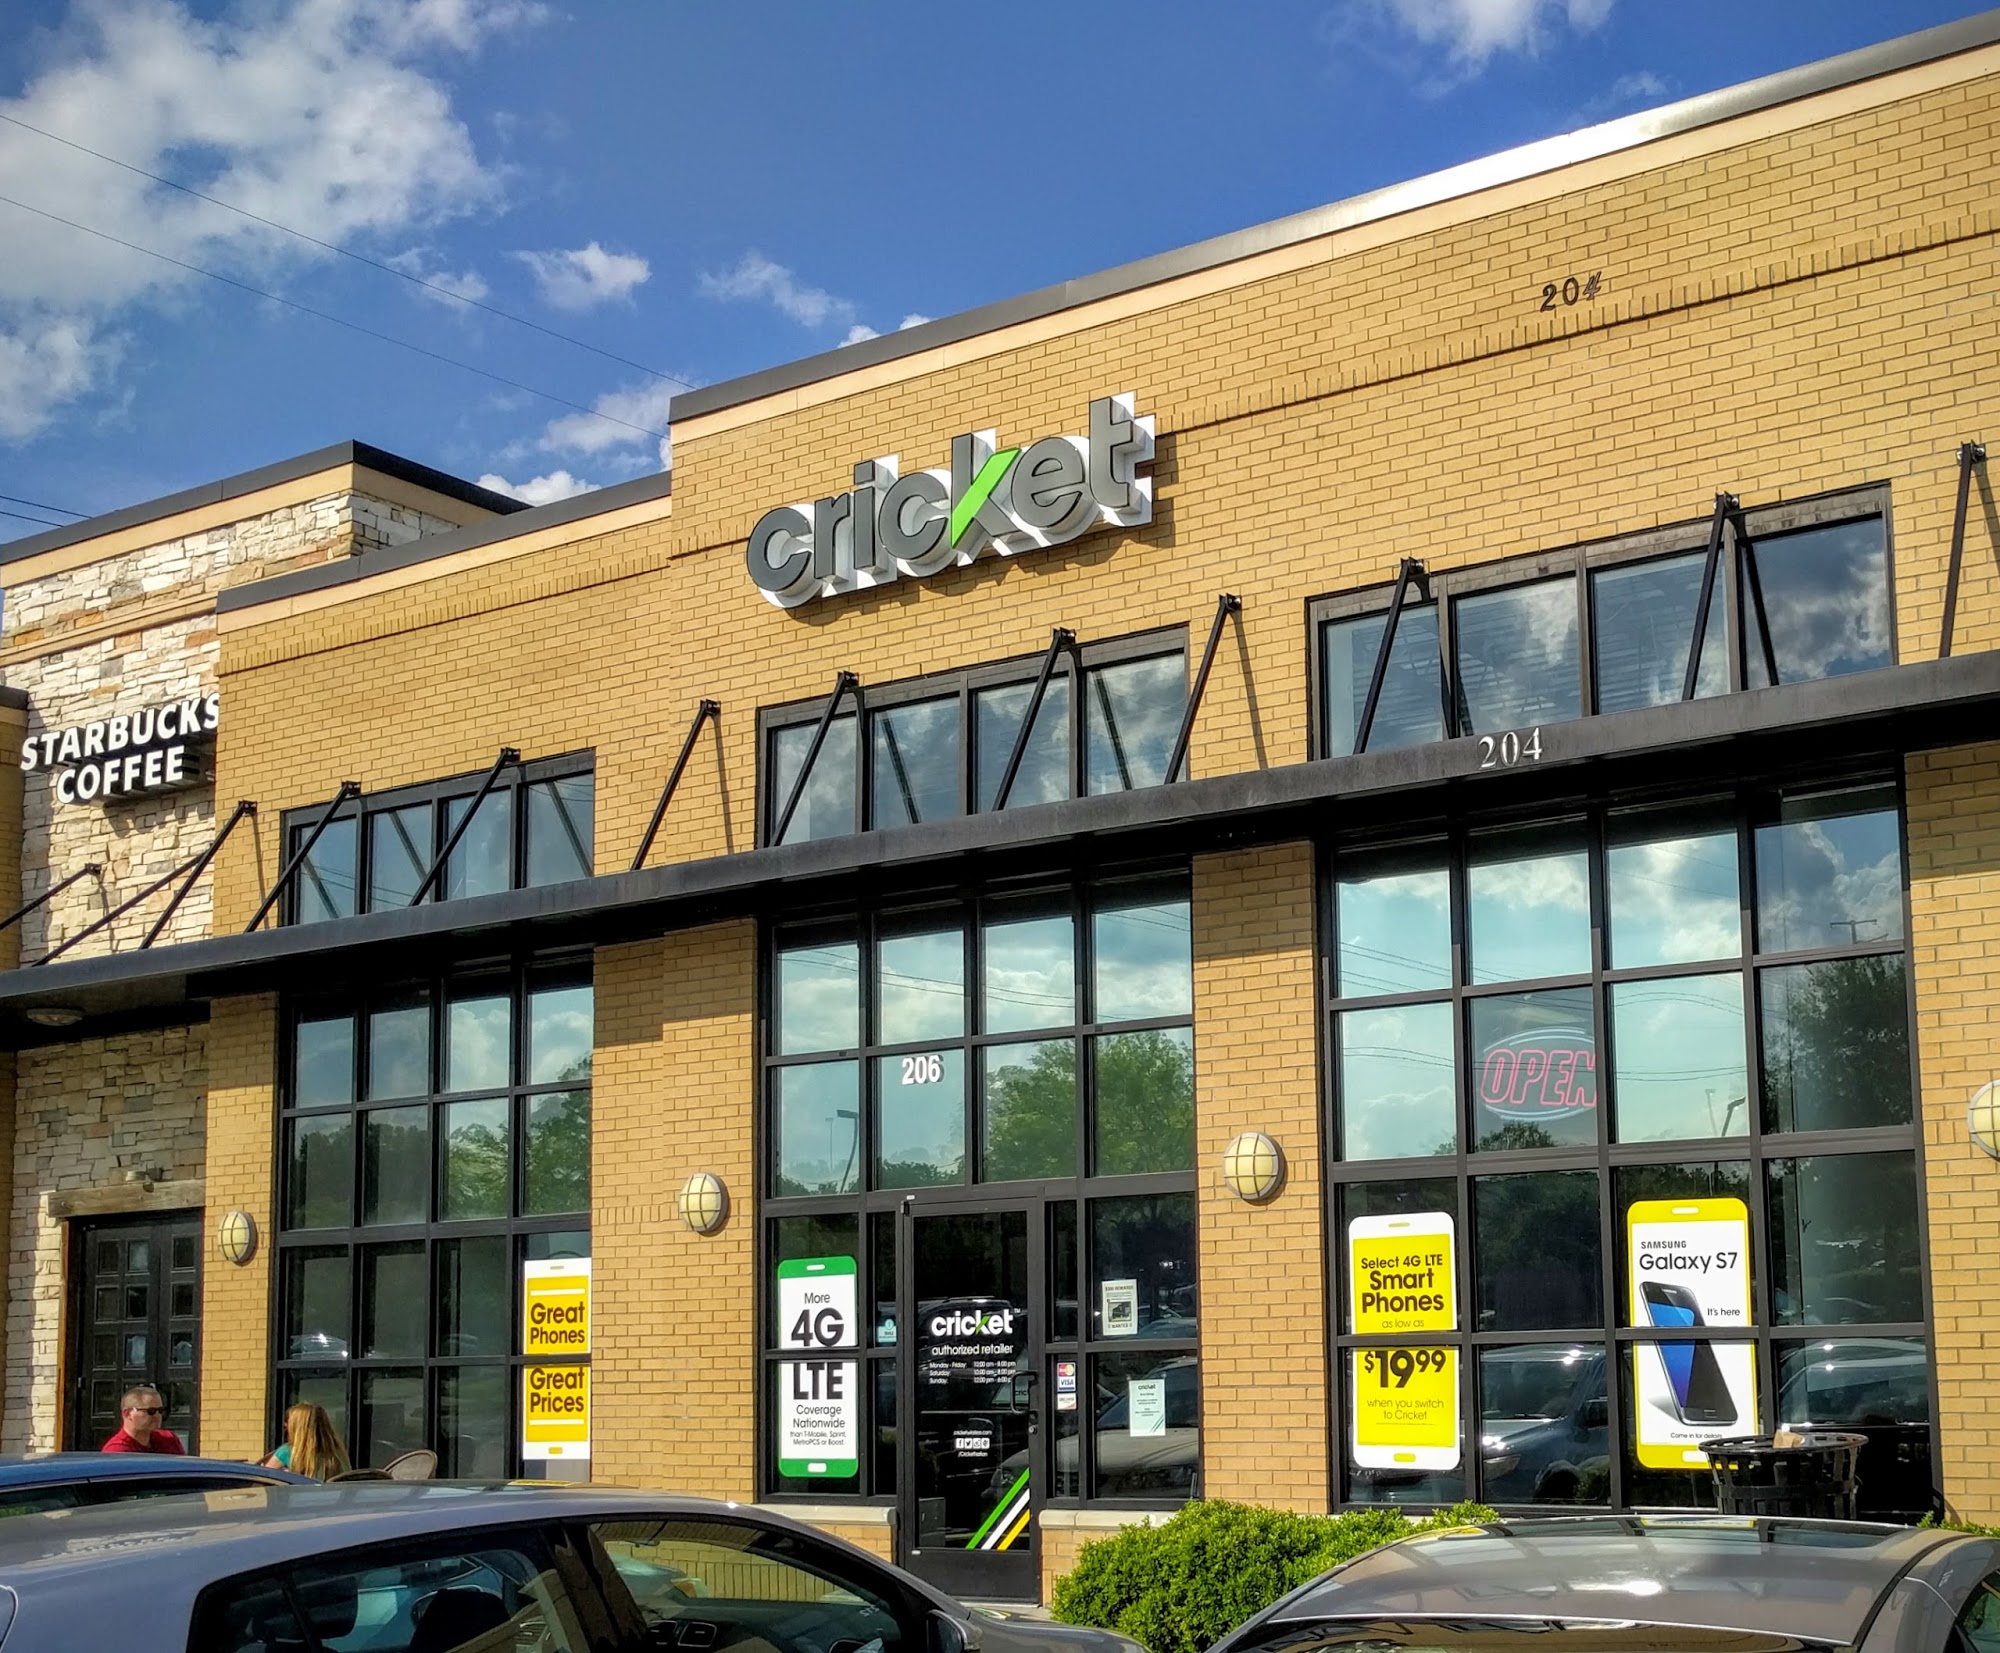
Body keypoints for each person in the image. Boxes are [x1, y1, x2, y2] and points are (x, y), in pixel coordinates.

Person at [264, 1401, 350, 1480]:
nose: (285, 1425)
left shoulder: (287, 1452)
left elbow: (264, 1478)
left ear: (297, 1428)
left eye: (289, 1422)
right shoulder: (337, 1453)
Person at [101, 1386, 186, 1454]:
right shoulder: (117, 1451)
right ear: (128, 1413)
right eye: (151, 1411)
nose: (157, 1416)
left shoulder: (169, 1440)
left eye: (160, 1410)